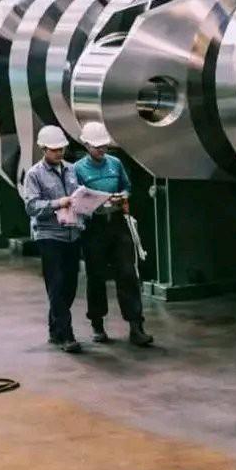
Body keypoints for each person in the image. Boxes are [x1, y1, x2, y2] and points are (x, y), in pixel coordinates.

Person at [74, 121, 153, 347]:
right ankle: (97, 323)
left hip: (117, 225)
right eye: (97, 147)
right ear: (86, 145)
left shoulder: (115, 163)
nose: (102, 150)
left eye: (104, 146)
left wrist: (122, 196)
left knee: (128, 273)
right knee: (96, 276)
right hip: (94, 228)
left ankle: (136, 326)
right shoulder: (78, 169)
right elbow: (76, 198)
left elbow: (127, 186)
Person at [21, 125, 84, 353]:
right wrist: (58, 203)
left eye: (61, 149)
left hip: (72, 233)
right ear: (43, 149)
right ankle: (67, 335)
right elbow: (31, 206)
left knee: (70, 286)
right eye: (54, 149)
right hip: (49, 235)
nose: (59, 153)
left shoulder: (72, 170)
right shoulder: (34, 174)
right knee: (56, 284)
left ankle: (55, 330)